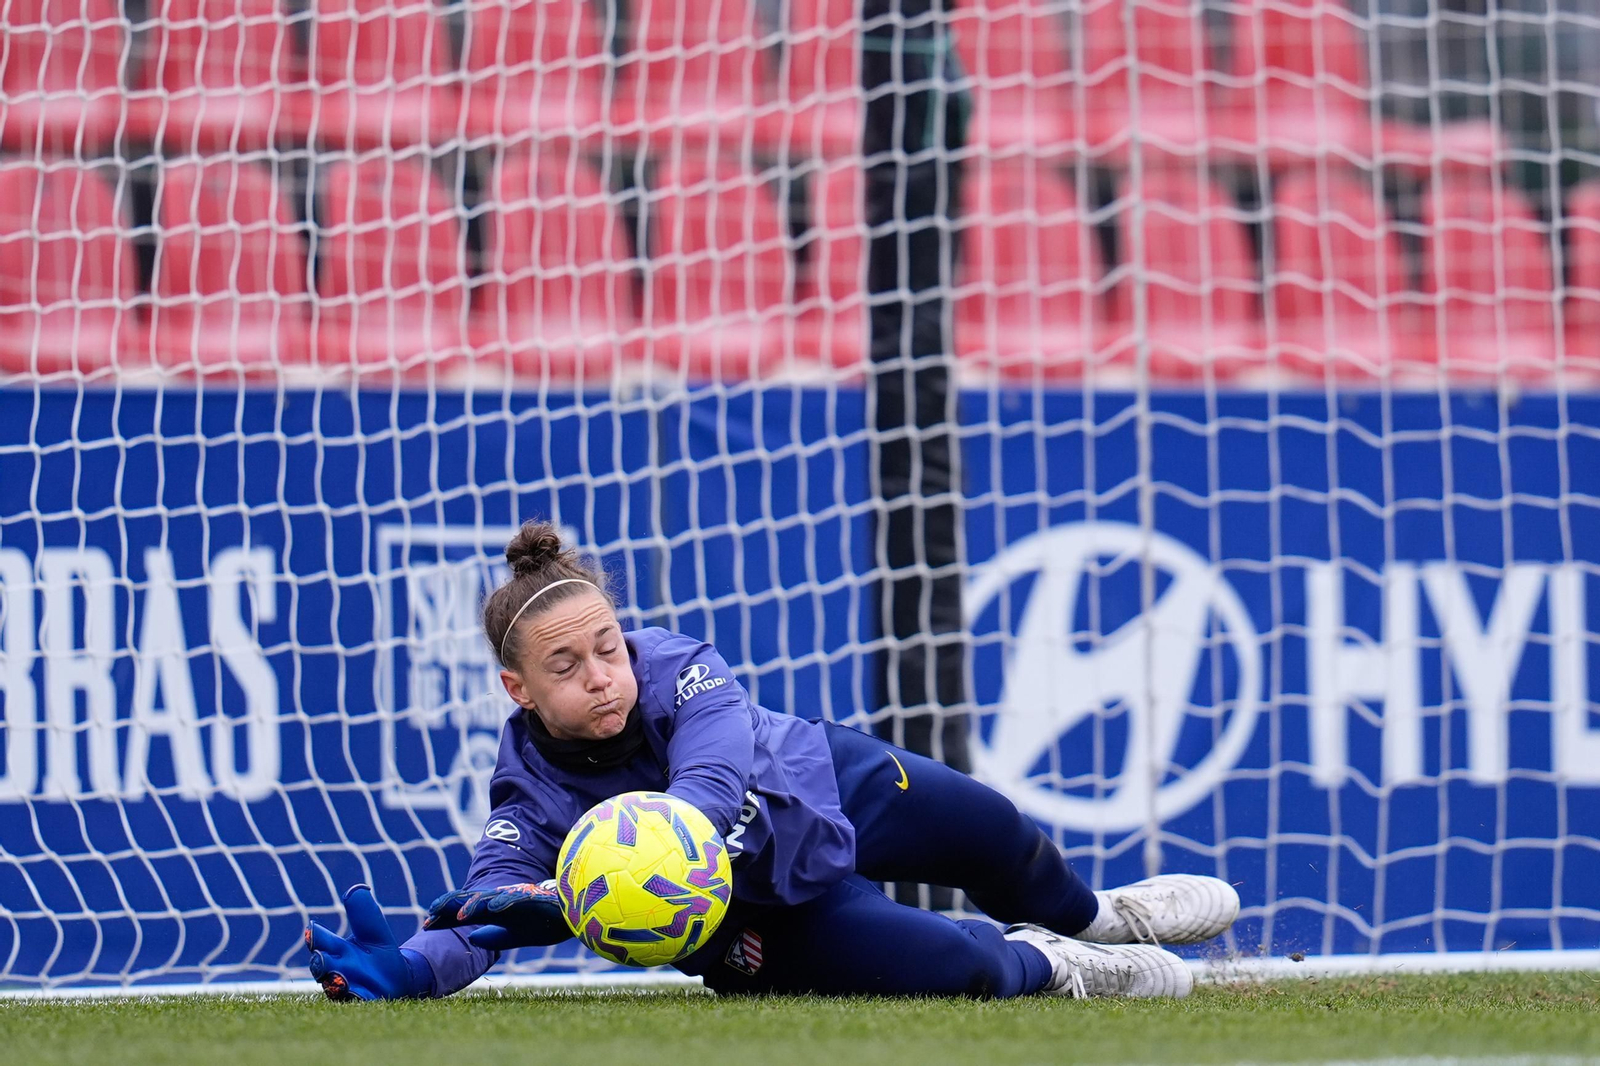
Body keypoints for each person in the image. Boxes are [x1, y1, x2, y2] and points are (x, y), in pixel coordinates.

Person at [304, 520, 1240, 1002]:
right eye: (565, 666)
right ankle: (1064, 966)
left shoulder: (683, 668)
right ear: (519, 692)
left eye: (608, 647)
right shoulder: (527, 791)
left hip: (819, 784)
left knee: (1002, 837)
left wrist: (562, 904)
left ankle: (1101, 916)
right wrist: (422, 967)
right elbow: (486, 908)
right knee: (968, 974)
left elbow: (707, 790)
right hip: (761, 917)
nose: (602, 677)